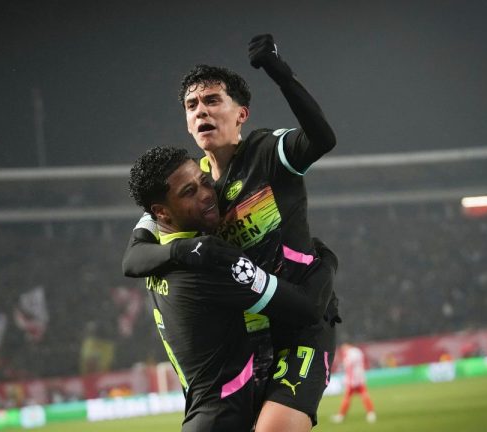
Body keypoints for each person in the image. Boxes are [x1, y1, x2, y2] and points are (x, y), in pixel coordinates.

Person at [122, 34, 340, 431]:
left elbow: (322, 139)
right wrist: (184, 253)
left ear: (241, 114)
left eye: (212, 100)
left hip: (304, 322)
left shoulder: (267, 153)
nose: (201, 110)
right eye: (192, 105)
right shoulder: (192, 187)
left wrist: (281, 73)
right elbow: (135, 256)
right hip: (251, 337)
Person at [128, 146, 337, 431]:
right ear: (162, 212)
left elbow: (132, 256)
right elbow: (308, 307)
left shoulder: (156, 246)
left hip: (205, 415)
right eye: (189, 192)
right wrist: (328, 261)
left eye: (205, 182)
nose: (206, 194)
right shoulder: (212, 263)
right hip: (226, 417)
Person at [331, 344, 376, 424]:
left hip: (353, 380)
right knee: (364, 395)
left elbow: (349, 367)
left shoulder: (349, 354)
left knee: (347, 398)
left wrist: (349, 380)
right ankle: (371, 413)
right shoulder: (358, 351)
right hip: (360, 378)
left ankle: (341, 416)